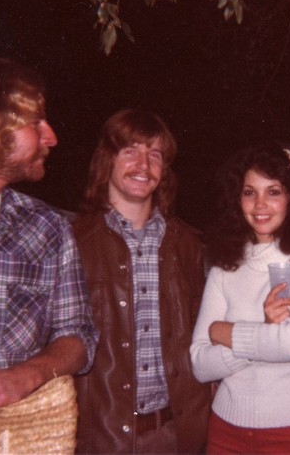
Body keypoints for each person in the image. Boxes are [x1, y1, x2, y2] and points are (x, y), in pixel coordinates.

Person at [0, 56, 98, 419]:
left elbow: (79, 336)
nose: (51, 137)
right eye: (36, 123)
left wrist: (28, 375)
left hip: (16, 437)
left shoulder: (47, 227)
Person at [73, 108, 211, 454]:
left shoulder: (188, 245)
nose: (143, 165)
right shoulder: (73, 242)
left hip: (174, 436)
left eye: (155, 155)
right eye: (130, 151)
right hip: (99, 439)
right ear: (107, 160)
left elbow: (202, 335)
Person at [190, 143, 290, 454]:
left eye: (273, 192)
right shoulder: (226, 264)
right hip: (225, 430)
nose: (260, 204)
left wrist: (223, 332)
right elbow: (200, 364)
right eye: (249, 192)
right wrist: (263, 329)